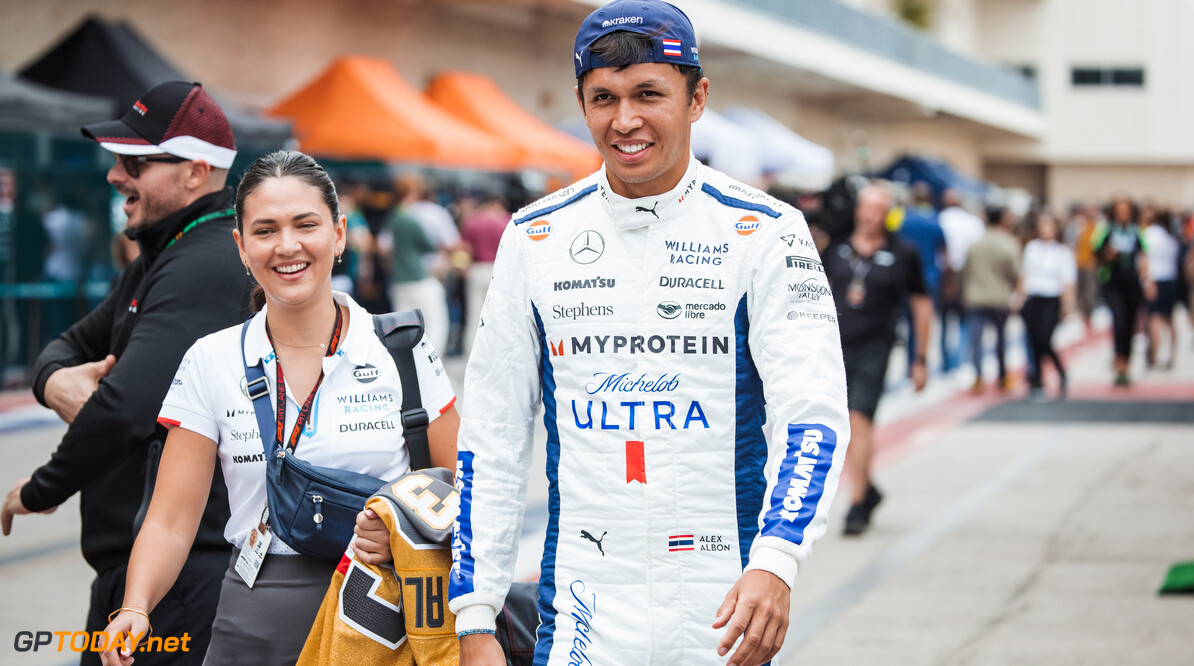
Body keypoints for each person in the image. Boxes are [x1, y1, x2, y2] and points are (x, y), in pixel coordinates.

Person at [448, 3, 850, 665]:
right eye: (603, 97)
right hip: (581, 608)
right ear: (581, 103)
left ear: (697, 99)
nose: (624, 120)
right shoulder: (537, 236)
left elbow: (813, 416)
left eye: (648, 94)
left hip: (723, 608)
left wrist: (777, 561)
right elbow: (491, 436)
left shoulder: (765, 232)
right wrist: (475, 617)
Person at [98, 151, 460, 666]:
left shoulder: (400, 350)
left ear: (338, 236)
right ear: (241, 247)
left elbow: (464, 489)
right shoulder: (211, 360)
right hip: (252, 624)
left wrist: (403, 523)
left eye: (305, 225)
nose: (287, 246)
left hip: (381, 620)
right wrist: (135, 606)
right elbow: (171, 520)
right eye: (265, 230)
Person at [0, 81, 250, 665]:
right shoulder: (161, 258)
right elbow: (62, 348)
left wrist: (35, 492)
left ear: (194, 171)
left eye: (134, 161)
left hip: (175, 581)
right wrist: (53, 382)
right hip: (137, 576)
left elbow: (124, 409)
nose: (115, 175)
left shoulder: (204, 262)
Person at [824, 183, 931, 536]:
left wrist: (920, 358)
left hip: (876, 346)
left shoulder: (903, 253)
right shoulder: (835, 248)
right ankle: (868, 489)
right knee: (841, 427)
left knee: (859, 421)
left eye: (879, 211)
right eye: (866, 209)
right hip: (834, 347)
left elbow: (921, 304)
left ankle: (856, 503)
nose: (871, 217)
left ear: (888, 215)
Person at [1092, 195, 1154, 386]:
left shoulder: (1137, 231)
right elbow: (1095, 251)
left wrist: (1148, 280)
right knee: (1119, 321)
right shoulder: (1106, 229)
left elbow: (1144, 255)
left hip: (1132, 284)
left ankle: (1126, 362)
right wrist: (1107, 254)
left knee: (1130, 324)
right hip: (1112, 282)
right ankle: (1118, 360)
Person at [1016, 210, 1077, 400]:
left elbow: (1068, 280)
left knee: (1044, 339)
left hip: (1052, 298)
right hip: (1033, 297)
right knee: (1033, 340)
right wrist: (1019, 297)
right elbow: (1024, 274)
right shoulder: (1032, 248)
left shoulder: (1062, 251)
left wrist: (1068, 304)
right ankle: (1036, 380)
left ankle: (1060, 371)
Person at [963, 206, 1022, 393]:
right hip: (998, 297)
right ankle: (1002, 377)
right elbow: (1016, 274)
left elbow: (965, 272)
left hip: (975, 297)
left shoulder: (975, 244)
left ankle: (978, 377)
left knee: (976, 341)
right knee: (1000, 340)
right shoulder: (1008, 243)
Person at [892, 182, 946, 371]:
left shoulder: (903, 218)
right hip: (929, 278)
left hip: (905, 278)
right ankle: (919, 363)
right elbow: (943, 250)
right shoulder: (935, 219)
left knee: (907, 322)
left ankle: (910, 364)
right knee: (923, 324)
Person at [938, 189, 985, 371]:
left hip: (945, 274)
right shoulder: (972, 223)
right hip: (965, 273)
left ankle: (947, 364)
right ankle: (958, 360)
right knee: (964, 320)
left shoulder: (940, 219)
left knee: (944, 322)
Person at [459, 193, 511, 356]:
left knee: (474, 317)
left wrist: (463, 269)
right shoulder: (508, 220)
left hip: (477, 270)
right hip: (500, 271)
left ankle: (471, 356)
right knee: (501, 317)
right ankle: (497, 355)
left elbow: (464, 250)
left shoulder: (473, 221)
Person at [1142, 207, 1180, 368]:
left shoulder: (1149, 234)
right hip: (1170, 279)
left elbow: (1145, 259)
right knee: (1170, 319)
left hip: (1155, 279)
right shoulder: (1171, 236)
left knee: (1155, 319)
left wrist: (1147, 282)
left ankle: (1154, 356)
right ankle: (1172, 355)